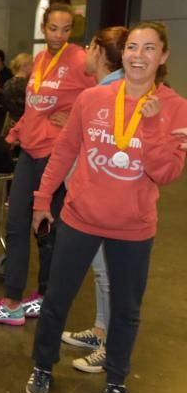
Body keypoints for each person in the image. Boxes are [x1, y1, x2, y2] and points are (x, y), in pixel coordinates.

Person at [25, 21, 187, 393]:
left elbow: (166, 173)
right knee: (57, 299)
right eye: (133, 47)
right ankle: (42, 367)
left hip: (133, 228)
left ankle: (116, 378)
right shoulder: (93, 99)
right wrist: (42, 198)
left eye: (149, 49)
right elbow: (64, 152)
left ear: (163, 56)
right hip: (81, 217)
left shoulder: (176, 107)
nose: (138, 55)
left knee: (127, 309)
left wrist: (149, 125)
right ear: (124, 53)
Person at [0, 0, 95, 326]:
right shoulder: (39, 62)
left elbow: (101, 100)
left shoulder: (80, 60)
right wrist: (9, 137)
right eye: (54, 28)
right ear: (44, 27)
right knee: (15, 225)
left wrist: (73, 119)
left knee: (46, 229)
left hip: (56, 155)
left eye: (66, 29)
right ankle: (12, 301)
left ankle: (44, 295)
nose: (59, 35)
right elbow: (34, 109)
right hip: (29, 152)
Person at [59, 26, 128, 374]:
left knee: (109, 275)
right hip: (90, 201)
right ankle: (101, 329)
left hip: (104, 205)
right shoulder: (101, 91)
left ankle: (109, 345)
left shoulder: (113, 94)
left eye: (89, 45)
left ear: (100, 52)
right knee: (102, 273)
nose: (84, 51)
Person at [1, 53, 33, 129]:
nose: (33, 68)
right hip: (25, 123)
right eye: (32, 65)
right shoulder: (28, 85)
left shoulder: (7, 83)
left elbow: (4, 103)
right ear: (24, 66)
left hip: (10, 121)